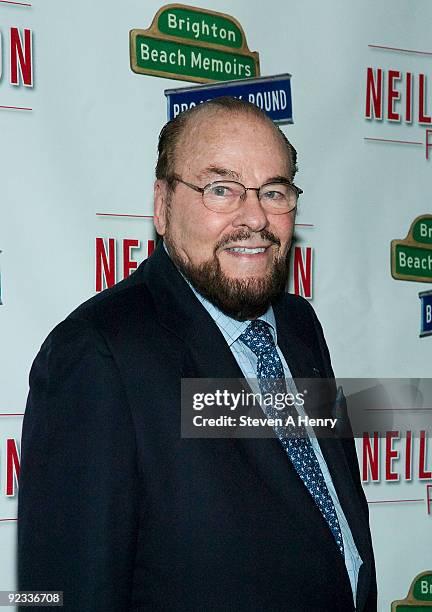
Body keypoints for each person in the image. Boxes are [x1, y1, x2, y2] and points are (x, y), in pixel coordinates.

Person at [18, 97, 377, 611]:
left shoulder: (299, 328)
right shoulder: (97, 355)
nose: (254, 216)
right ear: (162, 206)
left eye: (274, 191)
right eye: (222, 189)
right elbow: (61, 595)